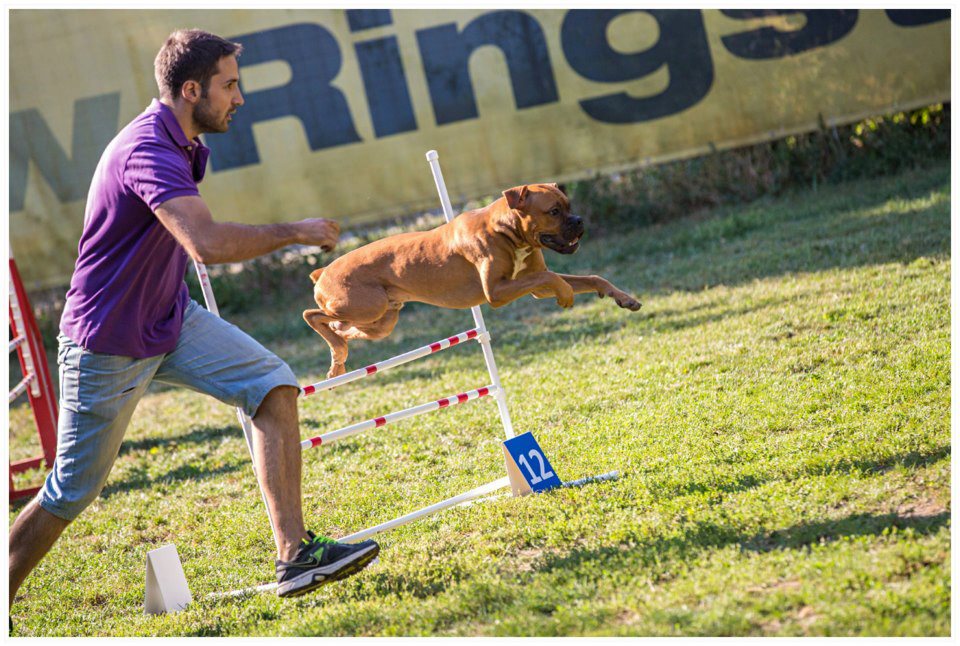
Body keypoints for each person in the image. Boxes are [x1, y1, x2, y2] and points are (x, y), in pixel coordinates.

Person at [8, 29, 379, 606]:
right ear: (190, 89)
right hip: (108, 342)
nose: (240, 97)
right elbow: (203, 242)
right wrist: (294, 232)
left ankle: (295, 556)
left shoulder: (183, 144)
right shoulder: (147, 149)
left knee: (273, 385)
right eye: (229, 85)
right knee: (70, 492)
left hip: (170, 318)